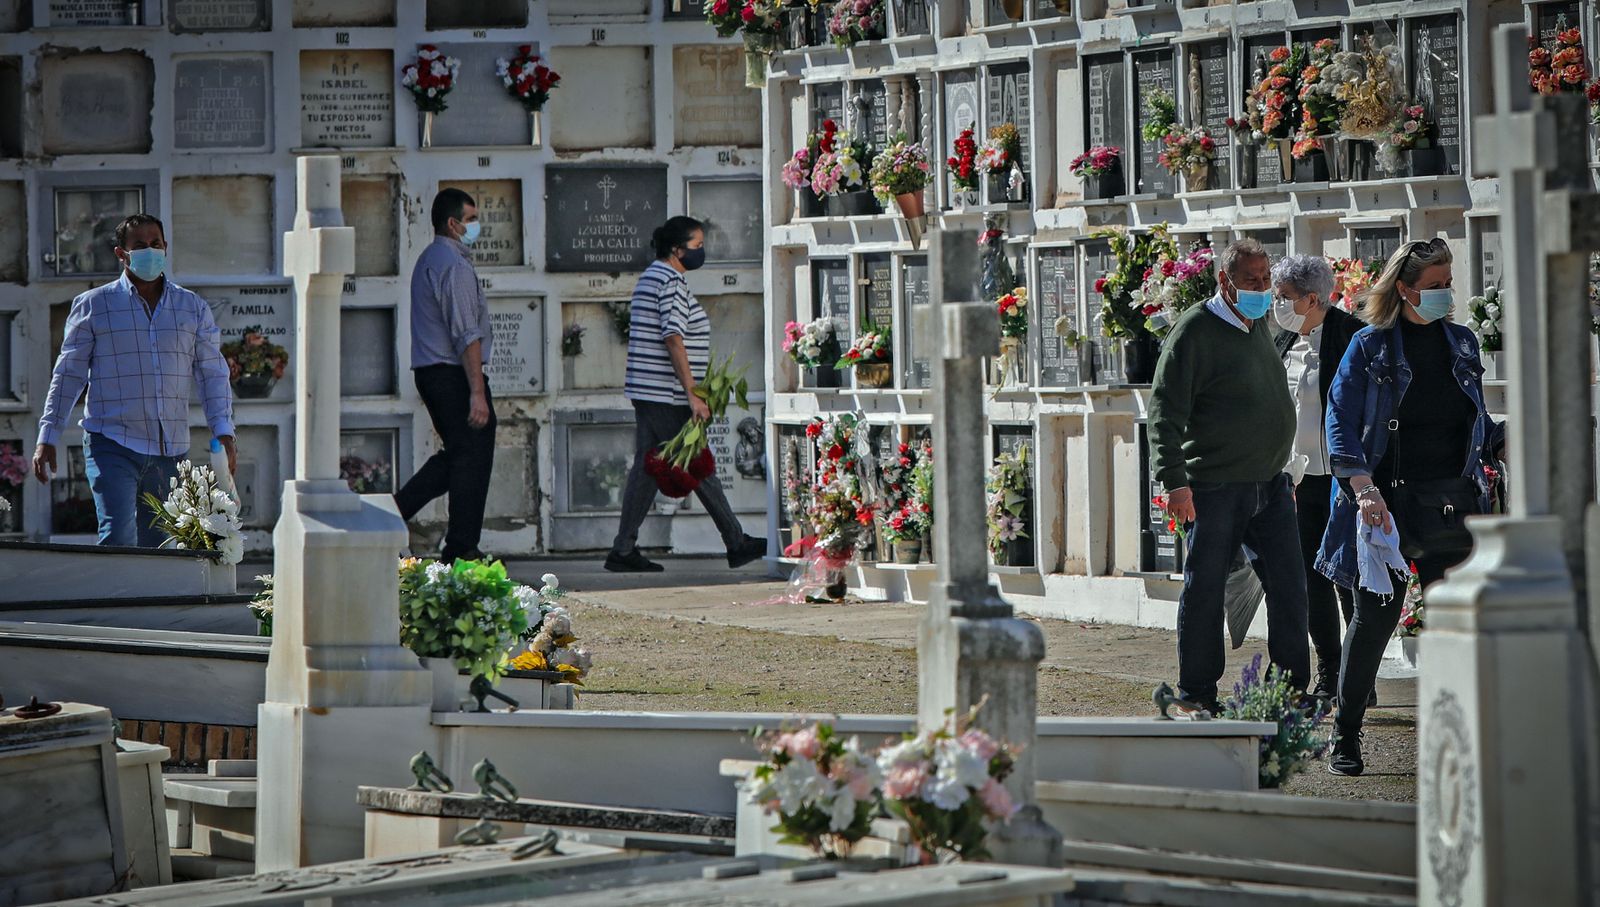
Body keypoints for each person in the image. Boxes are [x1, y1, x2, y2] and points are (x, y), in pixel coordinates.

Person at [1317, 237, 1504, 776]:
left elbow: (1472, 422)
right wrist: (1363, 489)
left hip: (1453, 502)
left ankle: (1463, 737)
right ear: (1404, 289)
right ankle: (1345, 735)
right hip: (1389, 506)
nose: (1445, 295)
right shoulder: (1370, 347)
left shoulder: (1462, 344)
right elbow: (1340, 422)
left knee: (1456, 625)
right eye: (1435, 287)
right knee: (1373, 622)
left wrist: (1500, 441)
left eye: (1449, 285)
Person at [1149, 238, 1310, 713]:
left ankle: (1289, 691)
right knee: (1206, 588)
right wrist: (1174, 481)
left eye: (1266, 280)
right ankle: (1197, 692)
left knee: (1289, 586)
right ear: (1225, 281)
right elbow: (1165, 410)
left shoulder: (1257, 323)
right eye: (1252, 281)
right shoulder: (1196, 329)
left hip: (1271, 483)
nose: (1262, 290)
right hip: (1215, 484)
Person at [33, 214, 236, 547]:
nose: (149, 251)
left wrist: (223, 430)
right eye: (139, 245)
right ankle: (117, 600)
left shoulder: (192, 308)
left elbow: (212, 373)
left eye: (155, 244)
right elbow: (68, 374)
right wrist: (48, 435)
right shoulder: (94, 305)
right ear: (121, 253)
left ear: (166, 248)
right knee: (118, 539)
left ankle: (148, 602)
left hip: (169, 449)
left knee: (161, 546)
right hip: (111, 441)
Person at [605, 216, 766, 573]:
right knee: (699, 463)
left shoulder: (651, 277)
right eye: (696, 246)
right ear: (677, 250)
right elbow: (673, 337)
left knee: (647, 470)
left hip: (649, 390)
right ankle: (736, 541)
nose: (701, 252)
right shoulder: (671, 283)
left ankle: (623, 548)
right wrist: (693, 394)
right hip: (667, 393)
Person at [1270, 254, 1361, 702]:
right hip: (1299, 480)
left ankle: (1358, 673)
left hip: (1343, 480)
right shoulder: (1283, 341)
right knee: (1312, 578)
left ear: (1312, 298)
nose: (1277, 304)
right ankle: (1331, 668)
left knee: (1348, 573)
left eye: (1285, 297)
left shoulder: (1352, 337)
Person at [395, 188, 496, 564]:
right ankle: (461, 547)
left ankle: (396, 510)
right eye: (471, 219)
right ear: (453, 224)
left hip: (434, 372)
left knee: (461, 454)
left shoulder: (430, 258)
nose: (475, 225)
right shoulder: (452, 264)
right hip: (452, 374)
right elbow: (466, 332)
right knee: (472, 456)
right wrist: (477, 391)